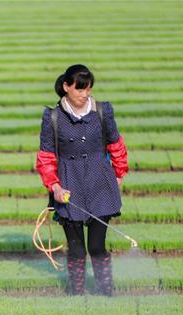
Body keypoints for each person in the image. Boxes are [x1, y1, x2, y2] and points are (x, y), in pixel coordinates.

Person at [35, 64, 129, 296]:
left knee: (97, 246)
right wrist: (54, 186)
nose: (84, 94)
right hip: (69, 184)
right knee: (76, 248)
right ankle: (75, 291)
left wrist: (118, 175)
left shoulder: (103, 111)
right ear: (66, 87)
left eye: (88, 89)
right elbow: (46, 156)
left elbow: (116, 145)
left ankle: (106, 290)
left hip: (100, 184)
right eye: (79, 89)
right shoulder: (53, 117)